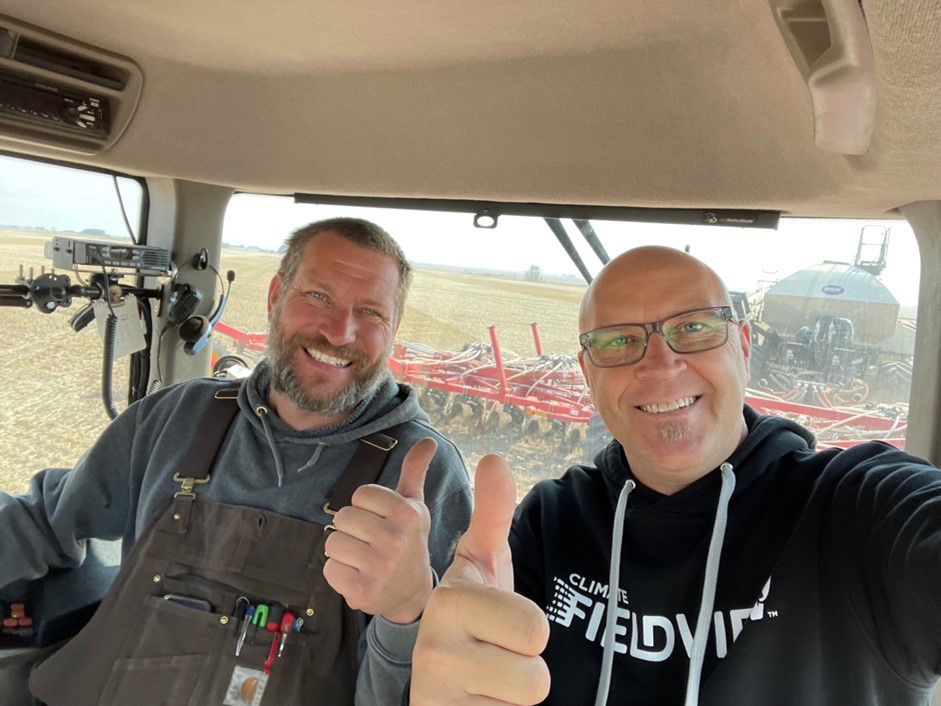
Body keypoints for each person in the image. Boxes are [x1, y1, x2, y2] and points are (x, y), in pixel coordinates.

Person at [412, 245, 941, 705]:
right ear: (587, 374)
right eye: (617, 341)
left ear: (744, 345)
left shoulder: (852, 507)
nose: (660, 365)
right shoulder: (551, 523)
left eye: (694, 328)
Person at [0, 217, 472, 705]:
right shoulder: (175, 417)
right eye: (318, 297)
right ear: (274, 298)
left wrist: (406, 615)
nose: (339, 332)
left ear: (393, 329)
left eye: (371, 312)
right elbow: (44, 521)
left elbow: (425, 688)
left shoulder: (424, 480)